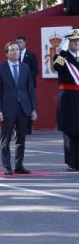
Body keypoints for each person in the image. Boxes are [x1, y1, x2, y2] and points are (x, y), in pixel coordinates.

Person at [0, 41, 38, 175]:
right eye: (12, 50)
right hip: (7, 109)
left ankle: (19, 165)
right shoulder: (0, 69)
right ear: (6, 53)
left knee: (21, 139)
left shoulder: (25, 68)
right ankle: (7, 166)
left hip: (24, 108)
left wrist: (33, 109)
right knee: (5, 139)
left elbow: (30, 90)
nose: (15, 52)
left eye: (17, 50)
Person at [53, 29, 79, 171]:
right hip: (67, 96)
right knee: (69, 130)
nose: (76, 43)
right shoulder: (62, 56)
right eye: (73, 41)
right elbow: (56, 67)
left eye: (78, 41)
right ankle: (71, 162)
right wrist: (62, 52)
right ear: (68, 43)